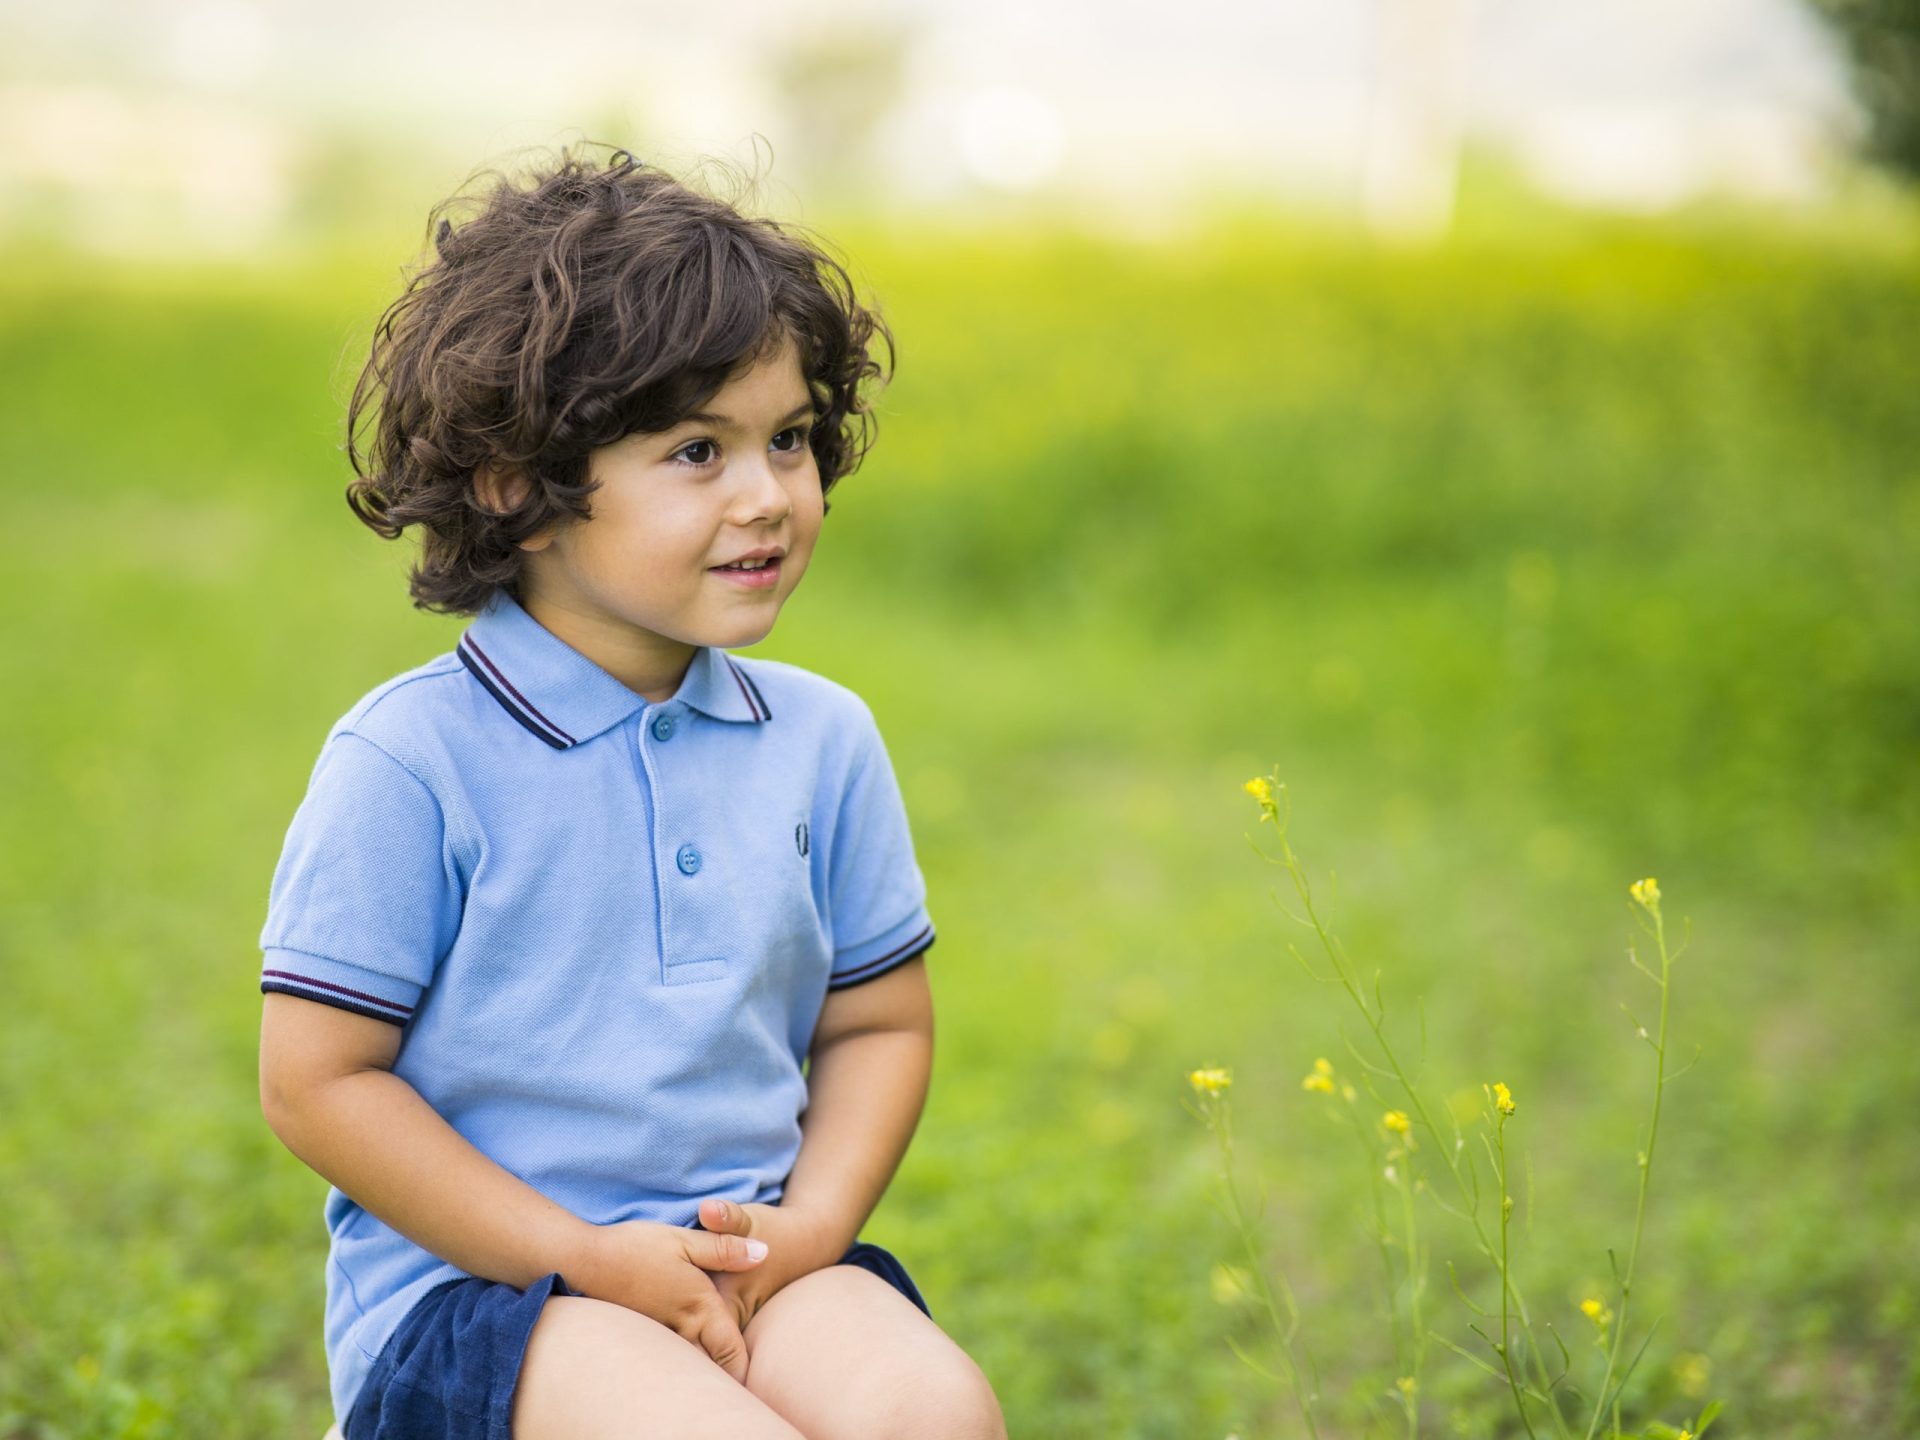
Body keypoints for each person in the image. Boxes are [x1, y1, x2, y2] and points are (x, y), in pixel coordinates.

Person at [256, 144, 1006, 1440]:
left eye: (787, 439)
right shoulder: (414, 762)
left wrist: (812, 1229)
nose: (769, 494)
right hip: (489, 1301)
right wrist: (589, 1259)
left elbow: (879, 1027)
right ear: (519, 487)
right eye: (696, 452)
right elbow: (317, 1082)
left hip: (748, 1263)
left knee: (934, 1413)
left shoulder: (821, 741)